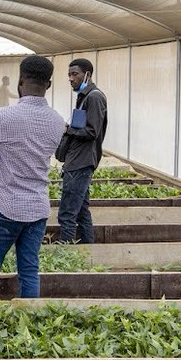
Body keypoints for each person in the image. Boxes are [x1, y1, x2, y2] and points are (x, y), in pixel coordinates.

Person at [0, 57, 67, 355]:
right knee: (29, 269)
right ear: (49, 84)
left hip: (6, 205)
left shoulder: (3, 117)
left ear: (20, 81)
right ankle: (29, 332)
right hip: (38, 207)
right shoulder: (57, 121)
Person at [56, 58, 109, 244]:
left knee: (67, 213)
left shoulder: (94, 97)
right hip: (78, 160)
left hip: (81, 162)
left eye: (75, 74)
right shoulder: (84, 96)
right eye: (69, 75)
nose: (71, 79)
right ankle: (88, 248)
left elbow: (92, 131)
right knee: (81, 211)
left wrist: (67, 129)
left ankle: (66, 252)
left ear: (87, 74)